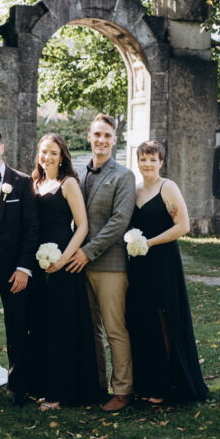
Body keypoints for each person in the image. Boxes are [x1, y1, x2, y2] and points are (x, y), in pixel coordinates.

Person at [126, 141, 208, 405]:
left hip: (163, 262)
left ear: (161, 162)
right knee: (143, 321)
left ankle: (167, 385)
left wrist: (149, 243)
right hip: (138, 265)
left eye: (153, 159)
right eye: (143, 159)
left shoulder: (167, 187)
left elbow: (182, 225)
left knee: (164, 319)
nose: (147, 164)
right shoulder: (134, 189)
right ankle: (147, 383)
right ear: (137, 161)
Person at [67, 113, 136, 412]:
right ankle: (96, 385)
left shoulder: (123, 175)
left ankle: (122, 390)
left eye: (107, 135)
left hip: (110, 265)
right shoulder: (78, 175)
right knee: (90, 330)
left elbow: (119, 222)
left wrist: (87, 252)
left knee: (115, 329)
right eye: (97, 134)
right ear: (89, 137)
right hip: (78, 266)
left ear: (115, 139)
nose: (101, 140)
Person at [29, 134, 101, 409]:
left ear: (62, 157)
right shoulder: (35, 183)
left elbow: (82, 226)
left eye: (53, 153)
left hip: (64, 260)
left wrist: (63, 259)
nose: (47, 157)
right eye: (43, 152)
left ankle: (62, 391)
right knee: (43, 324)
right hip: (39, 262)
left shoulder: (68, 183)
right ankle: (44, 384)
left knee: (62, 325)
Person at [0, 128, 39, 406]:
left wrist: (24, 268)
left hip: (15, 269)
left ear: (2, 148)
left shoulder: (22, 182)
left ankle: (19, 385)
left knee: (18, 325)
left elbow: (32, 228)